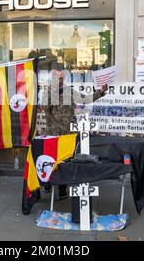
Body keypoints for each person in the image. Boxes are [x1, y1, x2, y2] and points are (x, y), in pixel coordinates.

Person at [41, 69, 108, 199]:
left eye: (60, 78)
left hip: (67, 133)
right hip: (53, 134)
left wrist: (100, 92)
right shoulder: (47, 92)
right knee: (51, 160)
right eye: (56, 78)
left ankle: (62, 189)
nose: (59, 80)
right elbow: (45, 107)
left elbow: (84, 99)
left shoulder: (69, 91)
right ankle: (48, 184)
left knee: (65, 162)